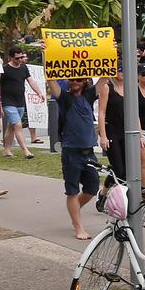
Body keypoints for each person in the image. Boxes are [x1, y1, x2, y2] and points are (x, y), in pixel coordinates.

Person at [51, 77, 103, 240]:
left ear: (85, 82)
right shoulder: (64, 98)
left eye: (79, 80)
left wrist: (111, 52)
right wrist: (47, 56)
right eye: (72, 80)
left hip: (89, 153)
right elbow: (50, 79)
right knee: (72, 191)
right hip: (71, 152)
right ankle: (78, 226)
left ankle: (74, 211)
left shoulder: (88, 96)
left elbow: (105, 76)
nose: (74, 83)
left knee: (92, 188)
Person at [0, 46, 43, 159]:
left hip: (20, 101)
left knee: (11, 126)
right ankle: (26, 150)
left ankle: (7, 150)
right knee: (18, 125)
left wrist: (39, 92)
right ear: (11, 57)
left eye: (21, 57)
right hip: (8, 102)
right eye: (17, 58)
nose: (20, 60)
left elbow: (31, 81)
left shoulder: (23, 68)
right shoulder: (4, 69)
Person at [96, 64, 130, 181]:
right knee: (118, 169)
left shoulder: (129, 86)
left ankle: (108, 193)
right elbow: (101, 112)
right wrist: (103, 136)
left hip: (126, 129)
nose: (122, 72)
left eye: (124, 69)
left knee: (127, 169)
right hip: (112, 130)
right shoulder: (107, 87)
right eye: (119, 70)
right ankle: (106, 193)